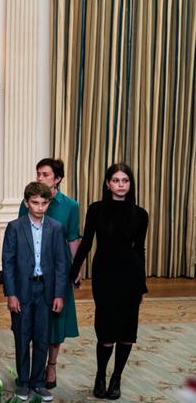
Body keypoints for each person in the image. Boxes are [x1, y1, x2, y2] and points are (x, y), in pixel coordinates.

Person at [70, 163, 148, 400]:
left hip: (130, 276)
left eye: (125, 180)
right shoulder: (96, 210)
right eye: (116, 180)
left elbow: (140, 250)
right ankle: (101, 375)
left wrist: (142, 284)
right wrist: (74, 270)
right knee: (106, 331)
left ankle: (116, 378)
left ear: (130, 184)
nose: (121, 185)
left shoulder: (141, 214)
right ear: (107, 183)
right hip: (104, 275)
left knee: (127, 331)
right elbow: (86, 243)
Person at [18, 158, 80, 389]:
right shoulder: (30, 200)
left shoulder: (70, 205)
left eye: (45, 174)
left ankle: (51, 365)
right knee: (31, 323)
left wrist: (76, 270)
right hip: (33, 272)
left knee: (56, 322)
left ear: (57, 178)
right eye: (38, 174)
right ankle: (32, 370)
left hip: (59, 271)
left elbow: (73, 238)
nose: (40, 178)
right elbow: (20, 234)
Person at [3, 182, 68, 402]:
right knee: (22, 336)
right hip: (22, 290)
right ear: (26, 202)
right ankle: (23, 381)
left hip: (46, 291)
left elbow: (61, 264)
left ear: (49, 203)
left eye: (44, 203)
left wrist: (59, 294)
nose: (39, 207)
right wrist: (11, 293)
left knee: (42, 337)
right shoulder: (15, 227)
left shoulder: (56, 228)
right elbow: (8, 263)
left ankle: (38, 382)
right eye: (35, 203)